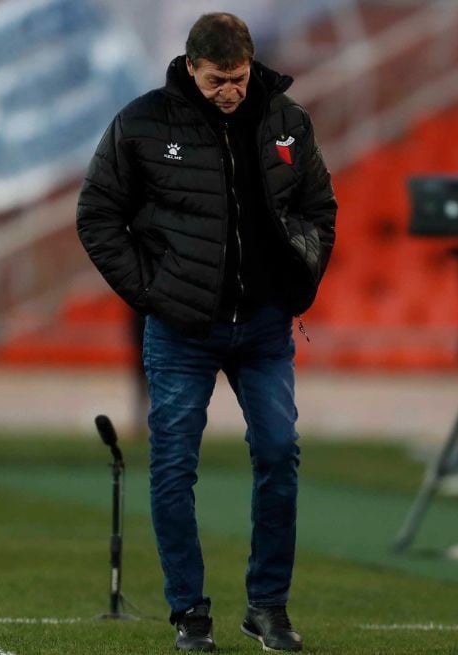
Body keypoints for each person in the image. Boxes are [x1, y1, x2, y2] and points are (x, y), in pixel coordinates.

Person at [76, 13, 336, 653]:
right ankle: (189, 613)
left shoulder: (286, 120)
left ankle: (267, 607)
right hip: (182, 329)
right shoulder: (143, 123)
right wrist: (152, 292)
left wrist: (300, 273)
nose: (230, 91)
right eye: (217, 80)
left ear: (251, 64)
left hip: (265, 326)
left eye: (239, 77)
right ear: (190, 68)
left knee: (279, 452)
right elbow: (97, 214)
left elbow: (318, 206)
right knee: (173, 468)